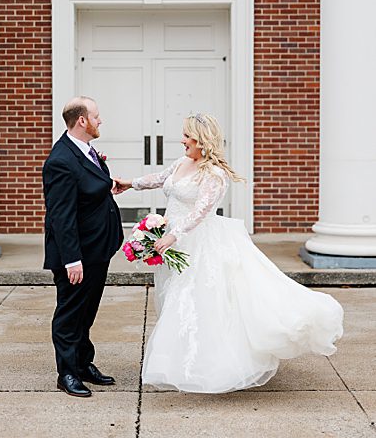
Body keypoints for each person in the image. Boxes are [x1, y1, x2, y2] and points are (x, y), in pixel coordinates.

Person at [113, 113, 344, 393]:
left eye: (187, 135)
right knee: (177, 300)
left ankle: (209, 366)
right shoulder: (182, 163)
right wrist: (129, 183)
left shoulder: (214, 175)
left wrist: (174, 234)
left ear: (202, 139)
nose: (182, 140)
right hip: (175, 243)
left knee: (200, 302)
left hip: (198, 244)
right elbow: (160, 179)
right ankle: (185, 360)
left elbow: (202, 211)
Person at [42, 96, 124, 398]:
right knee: (69, 313)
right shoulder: (60, 161)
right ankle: (66, 373)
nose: (100, 121)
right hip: (77, 254)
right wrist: (71, 259)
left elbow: (87, 190)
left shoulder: (86, 151)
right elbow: (60, 216)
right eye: (97, 116)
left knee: (87, 310)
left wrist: (105, 181)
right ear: (82, 121)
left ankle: (82, 362)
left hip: (98, 248)